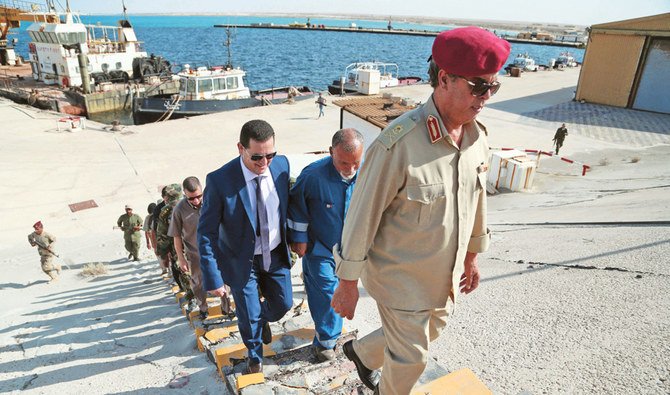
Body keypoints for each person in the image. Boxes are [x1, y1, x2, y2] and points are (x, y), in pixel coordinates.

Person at [330, 26, 510, 394]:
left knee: (435, 326)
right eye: (478, 86)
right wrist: (346, 283)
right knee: (412, 358)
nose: (486, 97)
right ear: (444, 78)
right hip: (400, 278)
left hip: (443, 275)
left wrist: (472, 256)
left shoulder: (477, 138)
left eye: (494, 86)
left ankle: (362, 354)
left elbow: (477, 202)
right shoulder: (397, 145)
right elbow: (360, 216)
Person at [198, 119, 293, 374]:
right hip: (241, 260)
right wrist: (213, 277)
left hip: (274, 253)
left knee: (284, 304)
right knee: (248, 314)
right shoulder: (219, 181)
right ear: (240, 148)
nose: (264, 163)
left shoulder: (281, 166)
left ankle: (261, 319)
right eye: (257, 157)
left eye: (269, 155)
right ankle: (254, 355)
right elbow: (205, 232)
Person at [288, 128, 364, 362]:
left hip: (352, 250)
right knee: (327, 293)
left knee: (342, 291)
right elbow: (296, 205)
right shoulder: (312, 176)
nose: (350, 170)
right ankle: (326, 341)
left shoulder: (368, 173)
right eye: (343, 163)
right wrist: (299, 239)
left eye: (355, 164)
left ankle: (326, 332)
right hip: (320, 248)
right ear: (331, 152)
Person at [169, 176, 234, 320]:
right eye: (191, 198)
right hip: (195, 254)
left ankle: (227, 308)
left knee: (224, 280)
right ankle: (203, 307)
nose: (196, 201)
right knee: (198, 283)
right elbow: (176, 236)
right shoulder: (179, 210)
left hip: (217, 250)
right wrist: (181, 258)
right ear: (184, 194)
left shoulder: (212, 201)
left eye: (199, 196)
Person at [157, 183, 193, 302]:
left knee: (184, 269)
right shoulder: (192, 201)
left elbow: (162, 235)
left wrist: (162, 252)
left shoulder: (165, 210)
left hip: (177, 246)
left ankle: (192, 298)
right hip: (196, 242)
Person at [152, 187, 170, 274]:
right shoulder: (158, 209)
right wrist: (162, 251)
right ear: (163, 196)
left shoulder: (182, 203)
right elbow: (157, 230)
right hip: (169, 240)